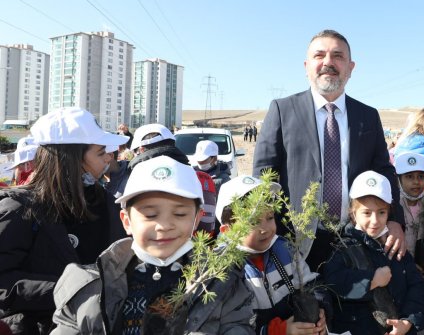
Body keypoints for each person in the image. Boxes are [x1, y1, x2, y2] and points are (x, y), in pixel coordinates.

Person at [253, 29, 405, 272]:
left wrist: (396, 220)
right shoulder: (283, 110)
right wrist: (265, 228)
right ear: (306, 66)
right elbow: (264, 173)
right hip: (295, 241)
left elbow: (384, 170)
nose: (328, 63)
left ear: (351, 67)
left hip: (355, 237)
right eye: (319, 55)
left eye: (337, 56)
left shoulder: (368, 116)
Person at [50, 156, 255, 334]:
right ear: (127, 221)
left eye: (180, 214)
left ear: (196, 218)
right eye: (150, 215)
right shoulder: (87, 287)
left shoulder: (223, 283)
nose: (164, 226)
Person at [0, 107, 128, 334]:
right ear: (72, 159)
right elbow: (3, 284)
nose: (109, 157)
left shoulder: (109, 204)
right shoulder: (20, 208)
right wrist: (71, 291)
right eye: (100, 152)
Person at [216, 176, 329, 335]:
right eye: (253, 222)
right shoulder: (222, 272)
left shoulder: (285, 249)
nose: (265, 229)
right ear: (228, 231)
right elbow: (226, 327)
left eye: (269, 217)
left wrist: (319, 310)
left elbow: (312, 284)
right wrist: (278, 331)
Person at [323, 171, 424, 335]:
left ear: (389, 212)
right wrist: (371, 280)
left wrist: (408, 321)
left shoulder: (395, 247)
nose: (375, 220)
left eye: (381, 212)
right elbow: (333, 282)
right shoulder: (342, 248)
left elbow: (416, 286)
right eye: (366, 213)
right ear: (353, 214)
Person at [393, 152, 424, 274]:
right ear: (398, 179)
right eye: (409, 176)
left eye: (420, 176)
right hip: (399, 268)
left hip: (423, 270)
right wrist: (406, 264)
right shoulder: (393, 207)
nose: (416, 182)